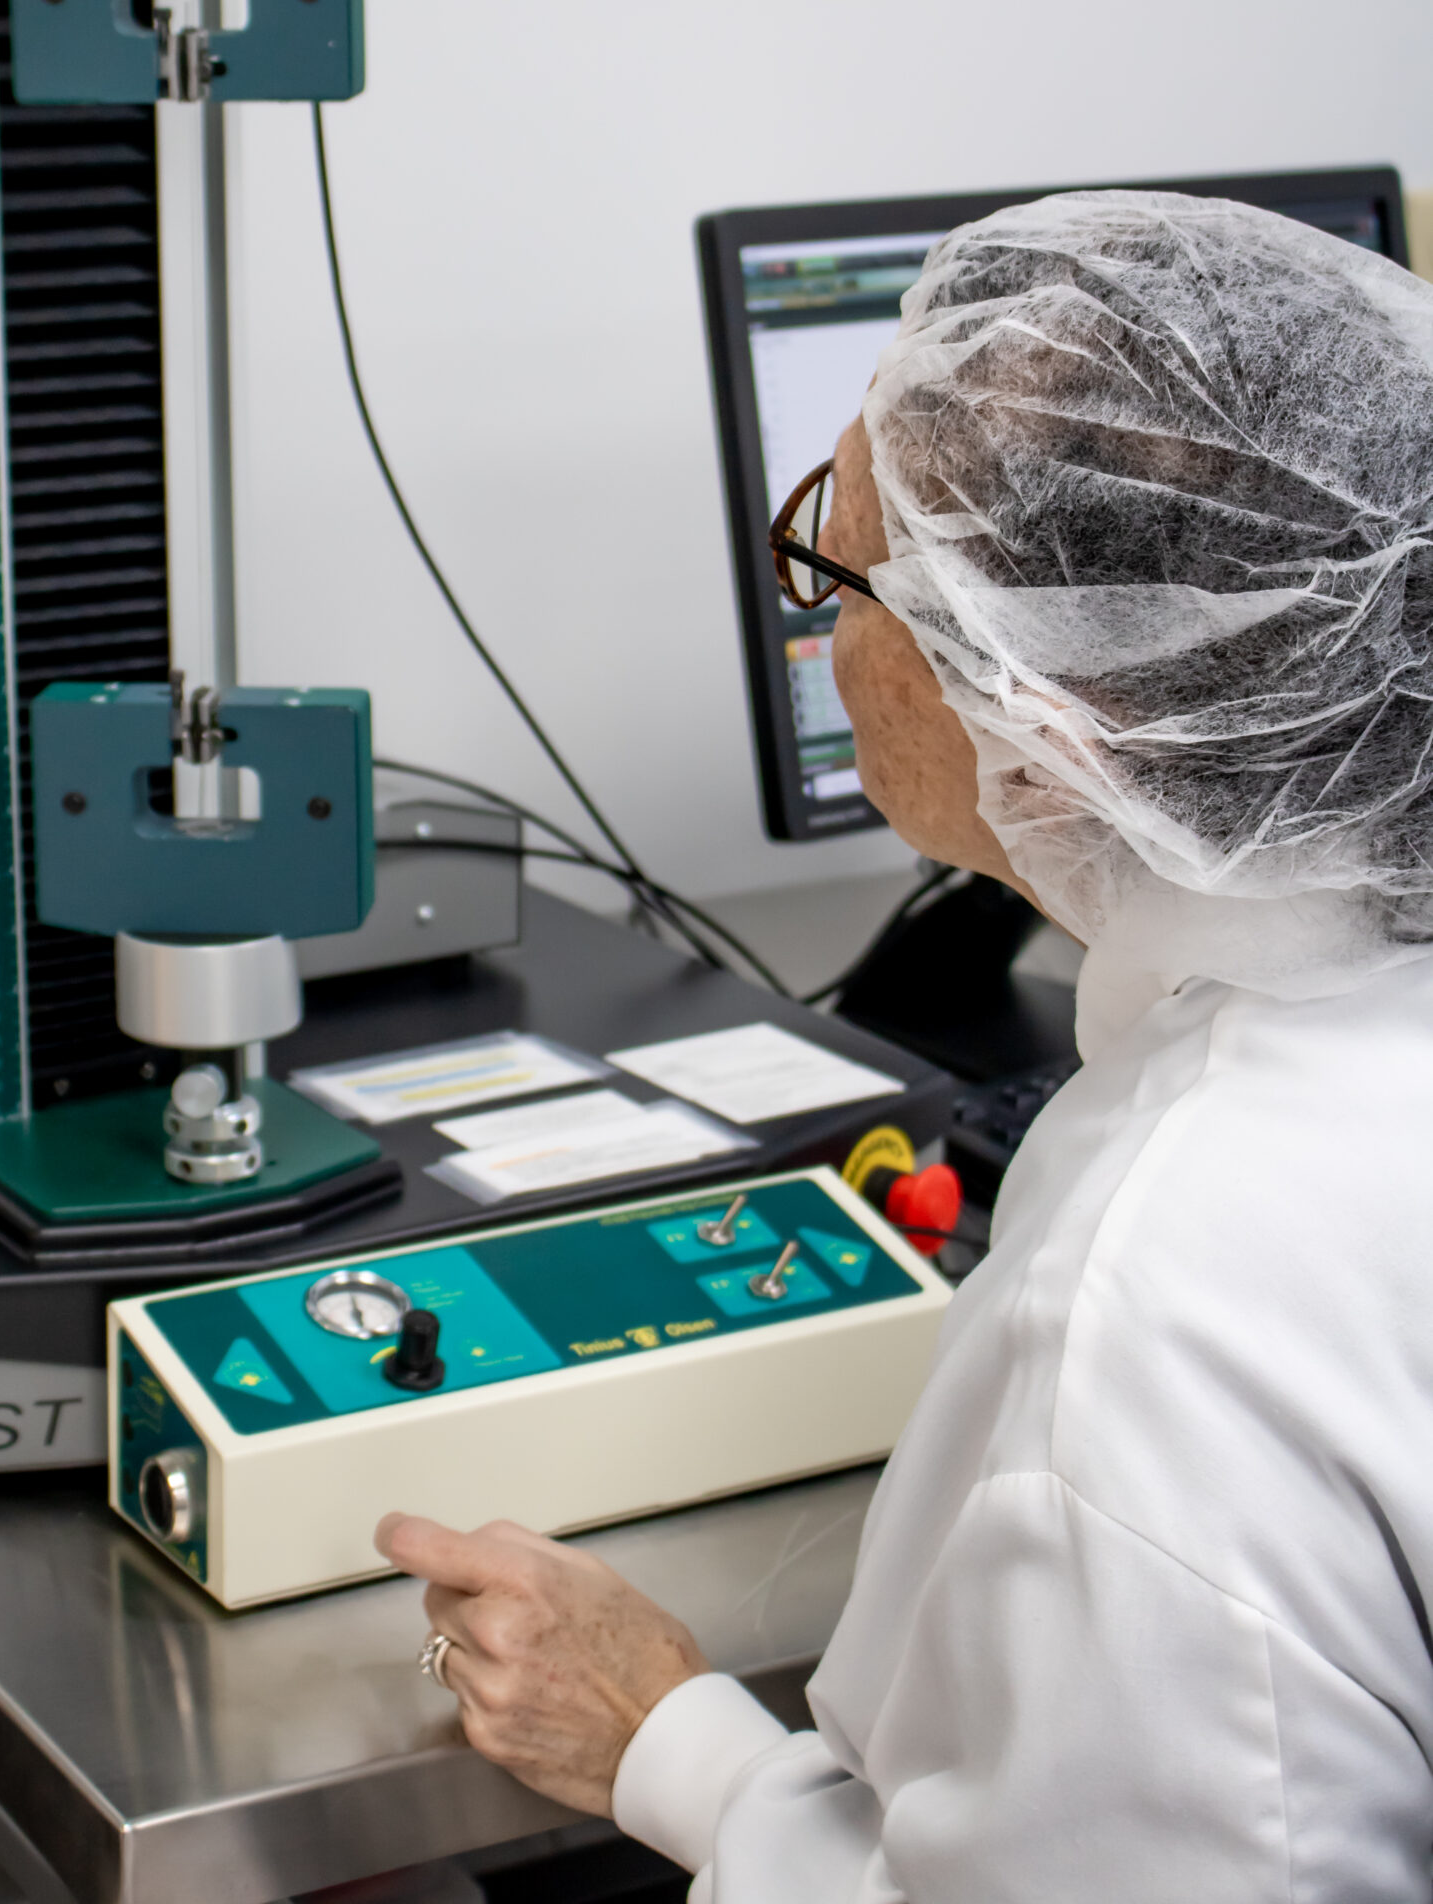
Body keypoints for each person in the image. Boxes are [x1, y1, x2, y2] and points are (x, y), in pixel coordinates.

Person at [379, 191, 1433, 1901]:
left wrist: (666, 1736)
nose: (823, 627)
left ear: (1049, 713)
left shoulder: (1166, 1306)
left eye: (841, 569)